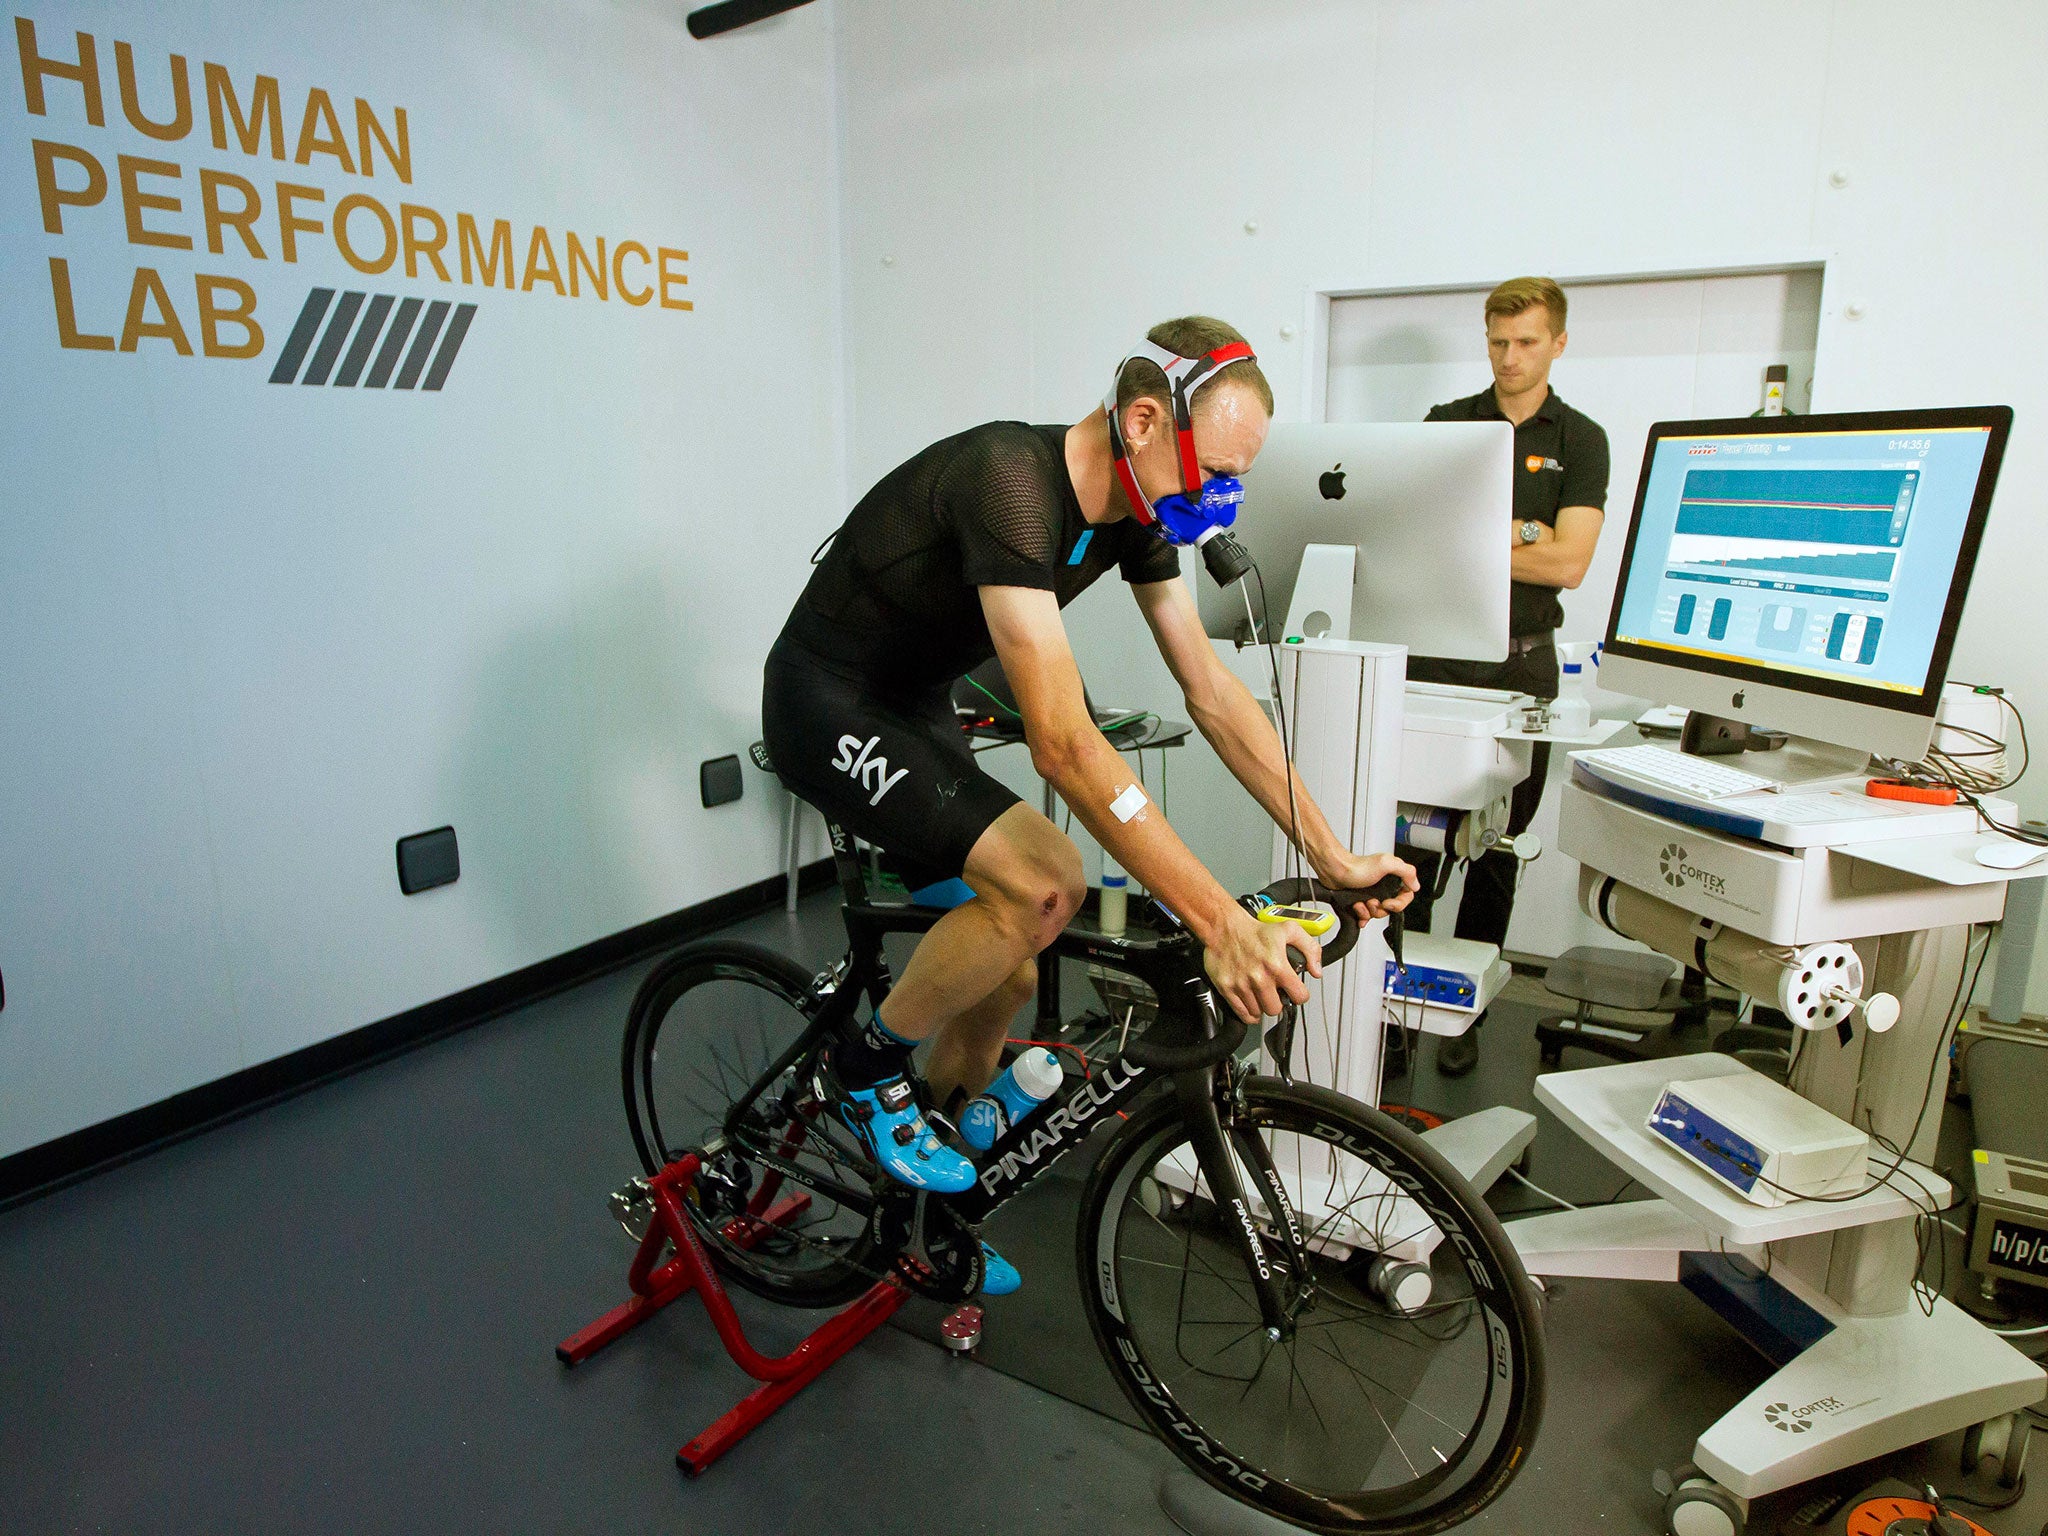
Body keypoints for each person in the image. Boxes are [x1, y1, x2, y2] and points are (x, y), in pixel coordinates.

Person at [762, 316, 1418, 1293]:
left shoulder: (1136, 516)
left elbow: (1214, 695)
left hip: (914, 707)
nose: (1223, 500)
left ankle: (919, 1218)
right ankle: (866, 1069)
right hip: (827, 702)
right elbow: (1063, 744)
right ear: (1144, 420)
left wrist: (1332, 854)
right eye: (1216, 472)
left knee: (1006, 977)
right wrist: (1216, 925)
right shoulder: (1010, 483)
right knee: (1044, 885)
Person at [1404, 278, 1610, 1078]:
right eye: (1497, 341)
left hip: (1524, 662)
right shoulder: (1448, 426)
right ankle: (1389, 1008)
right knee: (1410, 846)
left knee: (1499, 849)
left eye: (1526, 341)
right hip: (1436, 657)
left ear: (1558, 342)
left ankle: (1465, 1015)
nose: (1509, 356)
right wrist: (1526, 529)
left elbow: (1571, 562)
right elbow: (1424, 540)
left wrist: (1485, 536)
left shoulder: (1581, 439)